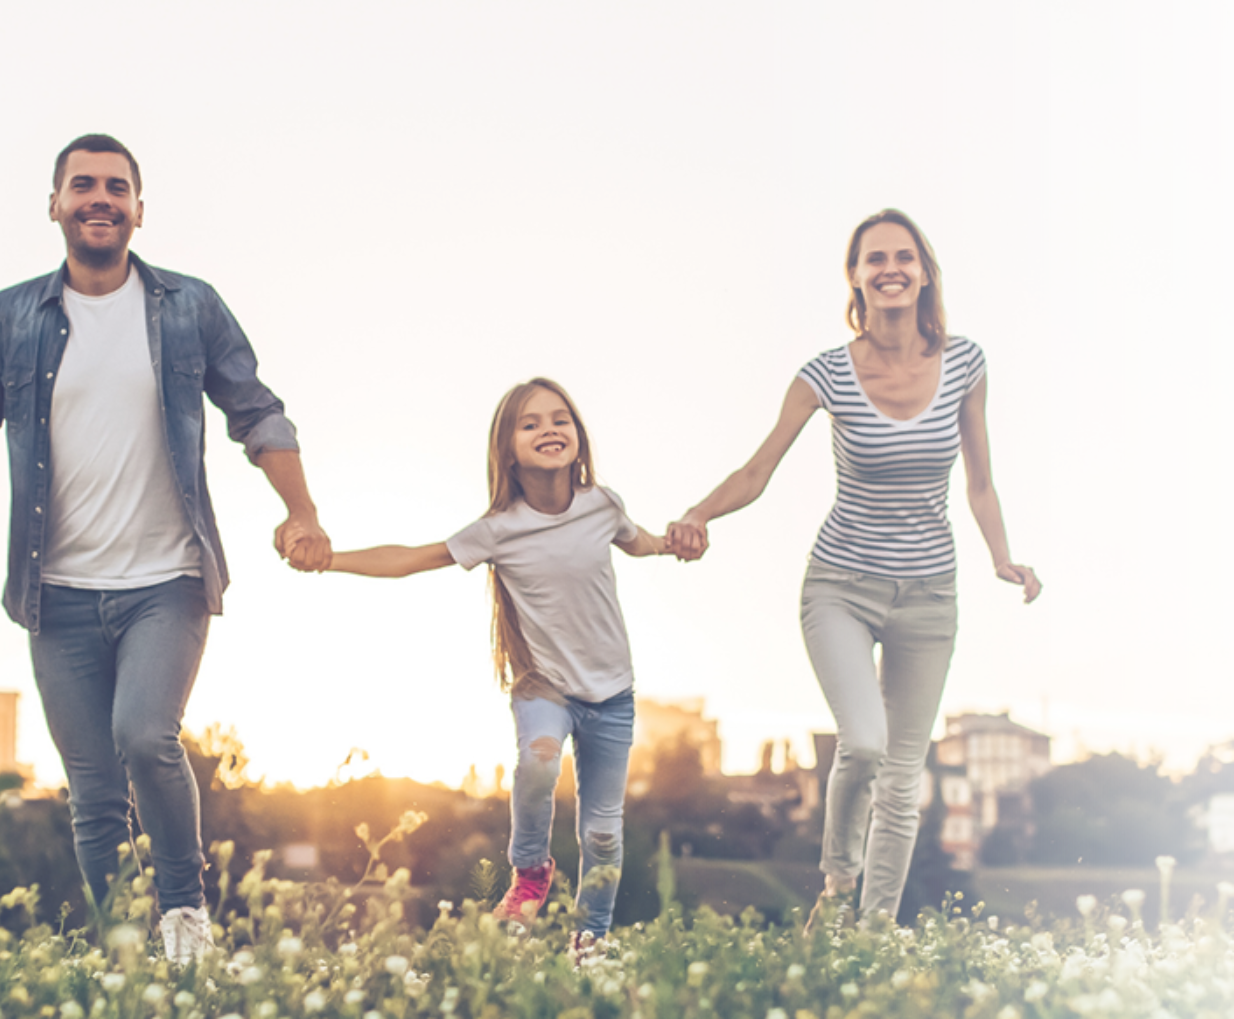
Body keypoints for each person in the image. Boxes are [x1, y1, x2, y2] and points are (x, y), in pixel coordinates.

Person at [0, 133, 330, 961]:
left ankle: (184, 919)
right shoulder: (11, 316)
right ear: (55, 205)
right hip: (57, 591)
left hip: (167, 579)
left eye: (116, 186)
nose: (99, 198)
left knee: (146, 734)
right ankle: (118, 950)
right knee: (93, 792)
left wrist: (302, 511)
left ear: (140, 209)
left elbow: (257, 411)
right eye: (83, 186)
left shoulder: (190, 306)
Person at [665, 209, 1042, 925]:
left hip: (930, 596)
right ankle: (838, 887)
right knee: (863, 742)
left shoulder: (966, 364)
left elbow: (981, 482)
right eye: (875, 258)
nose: (891, 268)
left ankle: (871, 937)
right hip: (841, 585)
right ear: (856, 277)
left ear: (925, 271)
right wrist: (699, 513)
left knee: (905, 779)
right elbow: (757, 468)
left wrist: (1002, 556)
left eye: (904, 256)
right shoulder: (825, 374)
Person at [322, 377, 674, 949]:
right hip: (544, 687)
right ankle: (531, 871)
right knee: (538, 761)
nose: (549, 430)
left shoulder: (604, 505)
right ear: (507, 450)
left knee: (604, 835)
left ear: (578, 437)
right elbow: (412, 558)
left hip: (612, 695)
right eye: (530, 423)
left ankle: (591, 943)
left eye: (560, 419)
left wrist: (677, 539)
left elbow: (643, 541)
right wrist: (329, 559)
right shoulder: (498, 529)